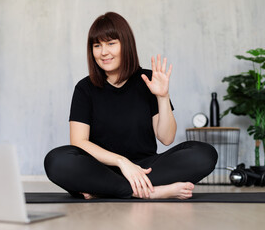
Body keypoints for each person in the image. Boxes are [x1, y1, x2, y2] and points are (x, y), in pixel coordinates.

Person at [44, 12, 217, 200]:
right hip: (100, 169)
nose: (103, 52)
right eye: (97, 45)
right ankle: (149, 192)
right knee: (56, 161)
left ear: (125, 44)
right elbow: (79, 142)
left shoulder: (147, 80)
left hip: (147, 168)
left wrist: (163, 96)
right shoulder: (85, 88)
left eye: (111, 43)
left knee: (204, 154)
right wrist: (121, 162)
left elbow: (167, 138)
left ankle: (108, 191)